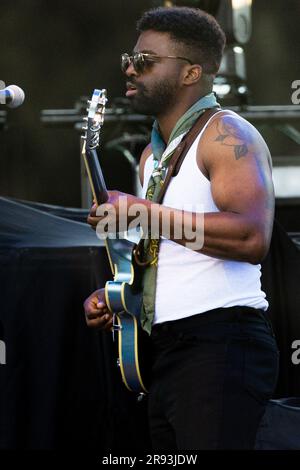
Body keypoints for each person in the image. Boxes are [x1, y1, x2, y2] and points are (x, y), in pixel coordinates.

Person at [83, 6, 279, 450]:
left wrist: (143, 213)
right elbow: (178, 243)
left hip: (221, 342)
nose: (131, 69)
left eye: (146, 61)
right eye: (128, 59)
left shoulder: (227, 133)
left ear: (191, 73)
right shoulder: (154, 157)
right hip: (166, 349)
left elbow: (252, 239)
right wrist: (119, 295)